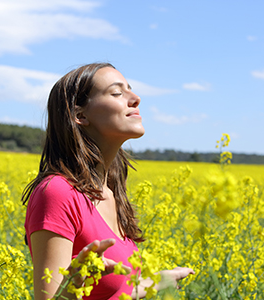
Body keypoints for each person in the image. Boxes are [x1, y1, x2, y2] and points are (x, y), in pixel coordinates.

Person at [22, 63, 194, 300]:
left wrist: (152, 283)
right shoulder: (57, 193)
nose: (135, 99)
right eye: (117, 93)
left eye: (131, 90)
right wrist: (71, 287)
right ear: (80, 115)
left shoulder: (111, 193)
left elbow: (111, 294)